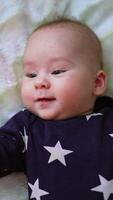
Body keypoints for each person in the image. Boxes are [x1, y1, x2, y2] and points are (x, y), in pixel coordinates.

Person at [0, 18, 113, 200]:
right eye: (31, 74)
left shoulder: (109, 118)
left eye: (57, 71)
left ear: (97, 83)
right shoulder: (27, 126)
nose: (40, 82)